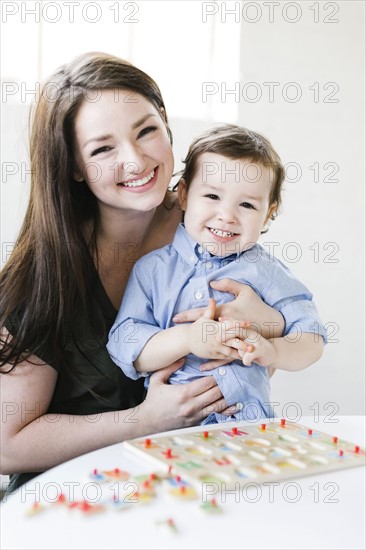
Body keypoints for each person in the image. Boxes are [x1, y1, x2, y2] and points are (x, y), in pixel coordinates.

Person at [0, 54, 284, 492]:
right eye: (102, 148)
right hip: (69, 500)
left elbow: (265, 354)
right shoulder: (42, 275)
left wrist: (268, 324)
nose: (134, 161)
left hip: (193, 481)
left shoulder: (212, 222)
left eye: (146, 131)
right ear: (74, 166)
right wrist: (142, 421)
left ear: (167, 127)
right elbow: (8, 446)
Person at [107, 124, 326, 423]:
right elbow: (126, 346)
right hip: (171, 428)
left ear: (268, 214)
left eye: (247, 204)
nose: (227, 215)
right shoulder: (152, 270)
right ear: (183, 194)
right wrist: (188, 339)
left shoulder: (268, 273)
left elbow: (312, 340)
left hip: (247, 425)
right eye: (212, 196)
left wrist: (273, 350)